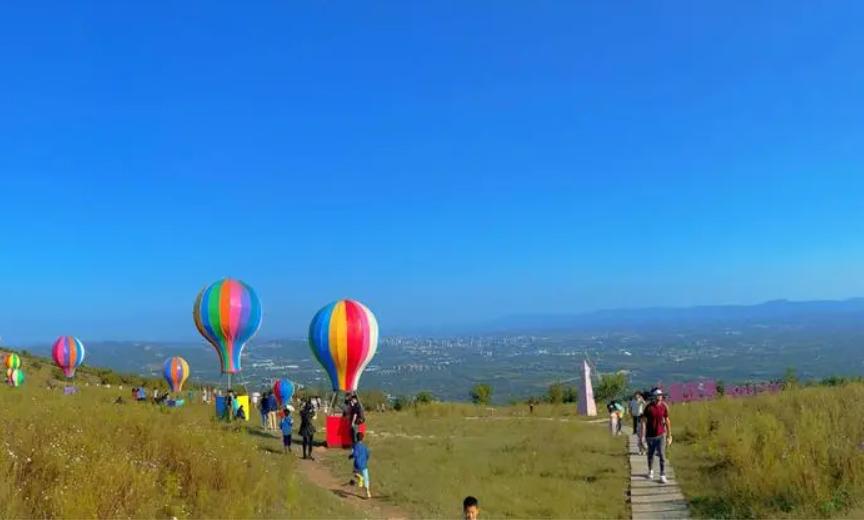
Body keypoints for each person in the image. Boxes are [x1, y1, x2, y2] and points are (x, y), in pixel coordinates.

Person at [640, 388, 672, 484]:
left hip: (661, 434)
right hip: (650, 436)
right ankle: (650, 470)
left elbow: (667, 420)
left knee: (662, 454)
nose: (659, 397)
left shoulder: (664, 406)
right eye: (657, 396)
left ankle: (662, 474)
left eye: (660, 395)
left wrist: (669, 435)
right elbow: (643, 422)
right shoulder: (648, 407)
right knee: (651, 454)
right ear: (654, 397)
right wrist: (642, 437)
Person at [350, 432, 371, 499]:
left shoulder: (355, 446)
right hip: (364, 464)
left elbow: (355, 454)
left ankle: (360, 478)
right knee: (366, 479)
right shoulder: (364, 447)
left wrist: (351, 456)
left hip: (357, 464)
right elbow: (367, 455)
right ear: (363, 438)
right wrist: (365, 459)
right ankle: (367, 492)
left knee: (355, 473)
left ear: (356, 438)